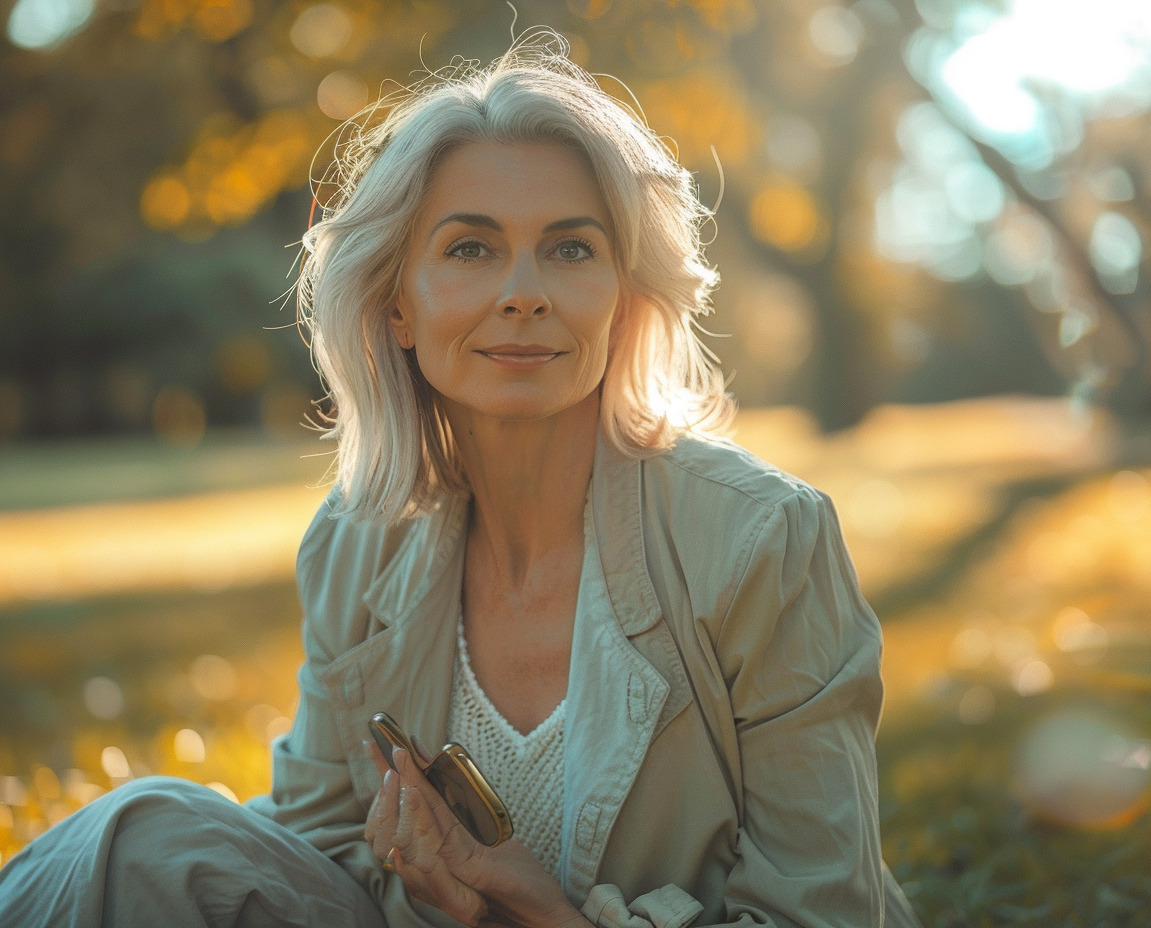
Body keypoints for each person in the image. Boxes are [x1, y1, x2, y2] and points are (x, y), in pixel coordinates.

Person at [0, 32, 920, 928]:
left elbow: (822, 913)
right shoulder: (355, 540)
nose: (524, 291)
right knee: (146, 839)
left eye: (570, 249)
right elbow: (316, 852)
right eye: (470, 249)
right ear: (397, 305)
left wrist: (546, 916)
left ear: (625, 296)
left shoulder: (763, 540)